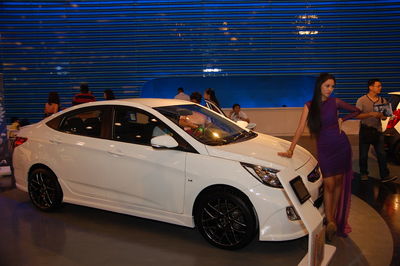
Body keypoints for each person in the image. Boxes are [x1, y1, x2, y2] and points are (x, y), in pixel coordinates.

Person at [277, 73, 361, 242]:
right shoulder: (309, 105)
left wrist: (342, 119)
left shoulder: (335, 102)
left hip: (340, 145)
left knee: (337, 183)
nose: (330, 89)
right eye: (327, 86)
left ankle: (332, 221)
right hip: (325, 148)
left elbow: (356, 110)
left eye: (332, 86)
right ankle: (329, 219)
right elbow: (300, 128)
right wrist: (291, 149)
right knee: (329, 184)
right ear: (319, 86)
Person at [356, 79, 397, 182]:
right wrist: (370, 114)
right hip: (365, 130)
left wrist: (384, 116)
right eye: (378, 86)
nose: (380, 88)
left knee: (382, 154)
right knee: (363, 155)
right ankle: (364, 173)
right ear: (371, 87)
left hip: (378, 131)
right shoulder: (361, 100)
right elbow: (357, 115)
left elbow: (384, 117)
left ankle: (385, 176)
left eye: (380, 86)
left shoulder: (383, 101)